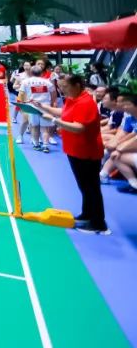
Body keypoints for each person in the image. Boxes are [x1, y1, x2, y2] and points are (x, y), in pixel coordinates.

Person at [30, 73, 109, 234]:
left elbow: (79, 128)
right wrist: (42, 106)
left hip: (86, 151)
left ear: (77, 85)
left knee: (91, 188)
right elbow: (64, 112)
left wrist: (54, 120)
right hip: (74, 149)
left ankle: (98, 223)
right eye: (59, 86)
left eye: (65, 86)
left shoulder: (86, 102)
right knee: (84, 186)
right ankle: (87, 214)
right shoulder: (73, 99)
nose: (61, 90)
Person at [18, 66, 56, 151]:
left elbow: (21, 94)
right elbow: (54, 93)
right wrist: (52, 104)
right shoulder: (47, 82)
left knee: (34, 126)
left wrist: (23, 104)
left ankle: (36, 145)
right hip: (45, 107)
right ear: (41, 73)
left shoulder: (25, 82)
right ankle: (45, 146)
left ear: (31, 73)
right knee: (44, 128)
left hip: (32, 107)